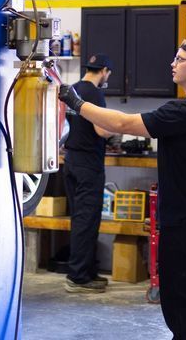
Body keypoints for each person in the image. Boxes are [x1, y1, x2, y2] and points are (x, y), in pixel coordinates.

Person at [58, 38, 186, 340]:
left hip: (184, 220)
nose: (173, 64)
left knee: (182, 302)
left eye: (180, 59)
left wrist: (76, 103)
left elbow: (122, 125)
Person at [62, 53, 113, 294]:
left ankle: (87, 271)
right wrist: (116, 129)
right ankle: (78, 277)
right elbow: (101, 129)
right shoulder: (94, 93)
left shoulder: (73, 89)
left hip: (71, 160)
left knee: (80, 219)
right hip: (88, 165)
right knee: (87, 220)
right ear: (104, 70)